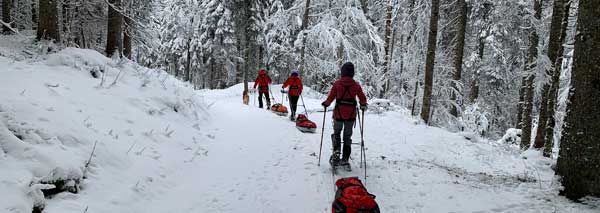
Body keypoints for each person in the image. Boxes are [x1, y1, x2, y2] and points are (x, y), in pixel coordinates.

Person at [321, 62, 367, 170]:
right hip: (351, 117)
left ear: (342, 72)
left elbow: (331, 98)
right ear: (352, 73)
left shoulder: (337, 84)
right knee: (347, 137)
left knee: (337, 133)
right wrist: (363, 105)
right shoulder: (356, 85)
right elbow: (362, 98)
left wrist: (326, 103)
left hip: (338, 115)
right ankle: (345, 159)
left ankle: (336, 152)